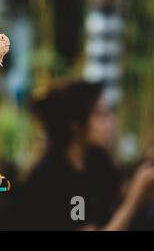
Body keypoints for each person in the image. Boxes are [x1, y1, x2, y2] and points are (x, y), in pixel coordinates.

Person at [14, 80, 154, 230]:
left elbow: (122, 192)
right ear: (75, 124)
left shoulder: (95, 160)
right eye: (101, 115)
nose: (111, 121)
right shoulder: (54, 177)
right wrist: (135, 198)